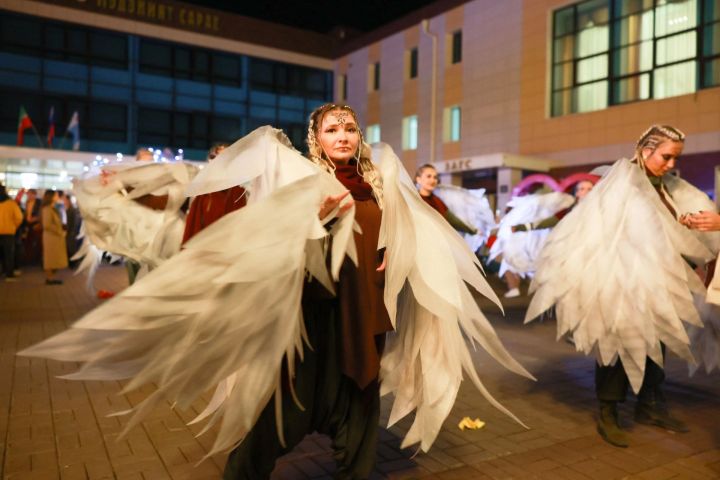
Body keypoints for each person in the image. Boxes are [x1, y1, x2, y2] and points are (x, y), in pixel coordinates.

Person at [20, 107, 532, 479]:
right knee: (282, 407)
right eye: (333, 128)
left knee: (360, 409)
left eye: (350, 127)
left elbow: (408, 236)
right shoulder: (300, 179)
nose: (344, 135)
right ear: (315, 139)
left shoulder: (381, 186)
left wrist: (396, 256)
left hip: (366, 314)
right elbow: (222, 200)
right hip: (311, 315)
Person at [525, 125, 718, 448]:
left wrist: (686, 232)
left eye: (675, 158)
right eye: (666, 157)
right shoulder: (620, 185)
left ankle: (649, 405)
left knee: (659, 346)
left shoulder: (670, 187)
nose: (671, 164)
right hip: (621, 282)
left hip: (661, 286)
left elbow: (671, 229)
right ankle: (608, 412)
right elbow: (601, 232)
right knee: (617, 347)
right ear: (645, 151)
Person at [182, 143, 246, 244]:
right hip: (201, 246)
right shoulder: (201, 191)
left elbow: (240, 227)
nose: (217, 161)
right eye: (213, 157)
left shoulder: (239, 193)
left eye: (223, 157)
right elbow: (192, 224)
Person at [415, 164, 477, 234]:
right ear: (418, 179)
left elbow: (454, 221)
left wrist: (473, 230)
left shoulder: (438, 201)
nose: (432, 180)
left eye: (435, 177)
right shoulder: (414, 199)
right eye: (428, 176)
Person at [41, 189, 68, 284]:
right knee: (51, 259)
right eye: (56, 195)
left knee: (54, 259)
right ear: (51, 197)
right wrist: (59, 231)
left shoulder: (53, 208)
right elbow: (47, 225)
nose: (57, 197)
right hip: (52, 238)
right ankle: (49, 278)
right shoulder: (48, 209)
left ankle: (51, 277)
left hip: (54, 237)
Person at [0, 184, 23, 281]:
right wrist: (13, 226)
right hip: (8, 232)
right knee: (9, 254)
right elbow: (19, 217)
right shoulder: (11, 203)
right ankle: (9, 274)